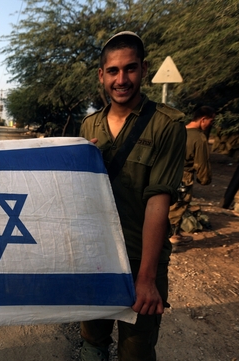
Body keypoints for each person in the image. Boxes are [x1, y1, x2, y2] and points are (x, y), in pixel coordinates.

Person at [78, 31, 186, 361]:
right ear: (102, 75)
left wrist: (147, 279)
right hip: (97, 258)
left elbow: (158, 202)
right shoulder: (88, 127)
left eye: (130, 69)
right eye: (113, 71)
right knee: (93, 340)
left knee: (136, 349)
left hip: (141, 258)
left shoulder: (166, 125)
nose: (121, 79)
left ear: (144, 69)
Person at [168, 106, 215, 245]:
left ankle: (173, 234)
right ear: (203, 119)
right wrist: (204, 179)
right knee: (178, 207)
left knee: (167, 205)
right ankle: (171, 239)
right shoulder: (199, 138)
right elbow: (201, 163)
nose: (210, 125)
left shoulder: (176, 131)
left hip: (166, 173)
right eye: (211, 121)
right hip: (183, 176)